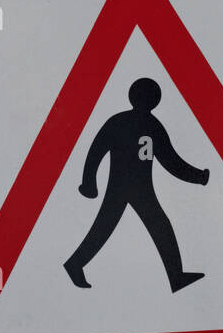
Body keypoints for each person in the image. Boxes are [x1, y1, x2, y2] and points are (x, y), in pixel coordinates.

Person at [64, 77, 208, 292]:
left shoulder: (125, 122)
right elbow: (171, 162)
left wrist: (89, 183)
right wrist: (88, 183)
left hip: (137, 188)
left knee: (156, 226)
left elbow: (170, 160)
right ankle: (75, 264)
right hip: (125, 187)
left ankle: (176, 276)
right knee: (109, 228)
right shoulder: (149, 125)